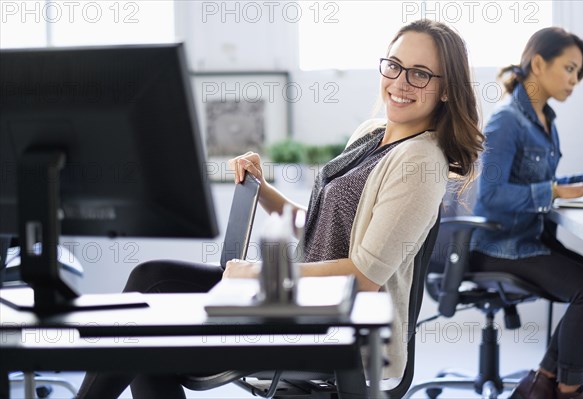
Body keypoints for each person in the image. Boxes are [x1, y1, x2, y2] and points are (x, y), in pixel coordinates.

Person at [76, 19, 483, 399]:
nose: (400, 81)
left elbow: (363, 276)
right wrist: (265, 192)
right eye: (394, 65)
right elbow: (321, 228)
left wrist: (255, 273)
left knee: (150, 324)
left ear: (446, 89)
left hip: (335, 325)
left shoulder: (421, 162)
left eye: (420, 73)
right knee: (151, 288)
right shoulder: (371, 134)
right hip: (296, 303)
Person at [471, 27, 583, 399]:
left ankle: (542, 383)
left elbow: (540, 179)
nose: (574, 80)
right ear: (539, 64)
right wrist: (557, 190)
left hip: (527, 238)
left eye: (578, 73)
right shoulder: (507, 120)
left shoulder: (545, 120)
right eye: (570, 68)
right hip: (498, 244)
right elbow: (491, 195)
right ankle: (569, 389)